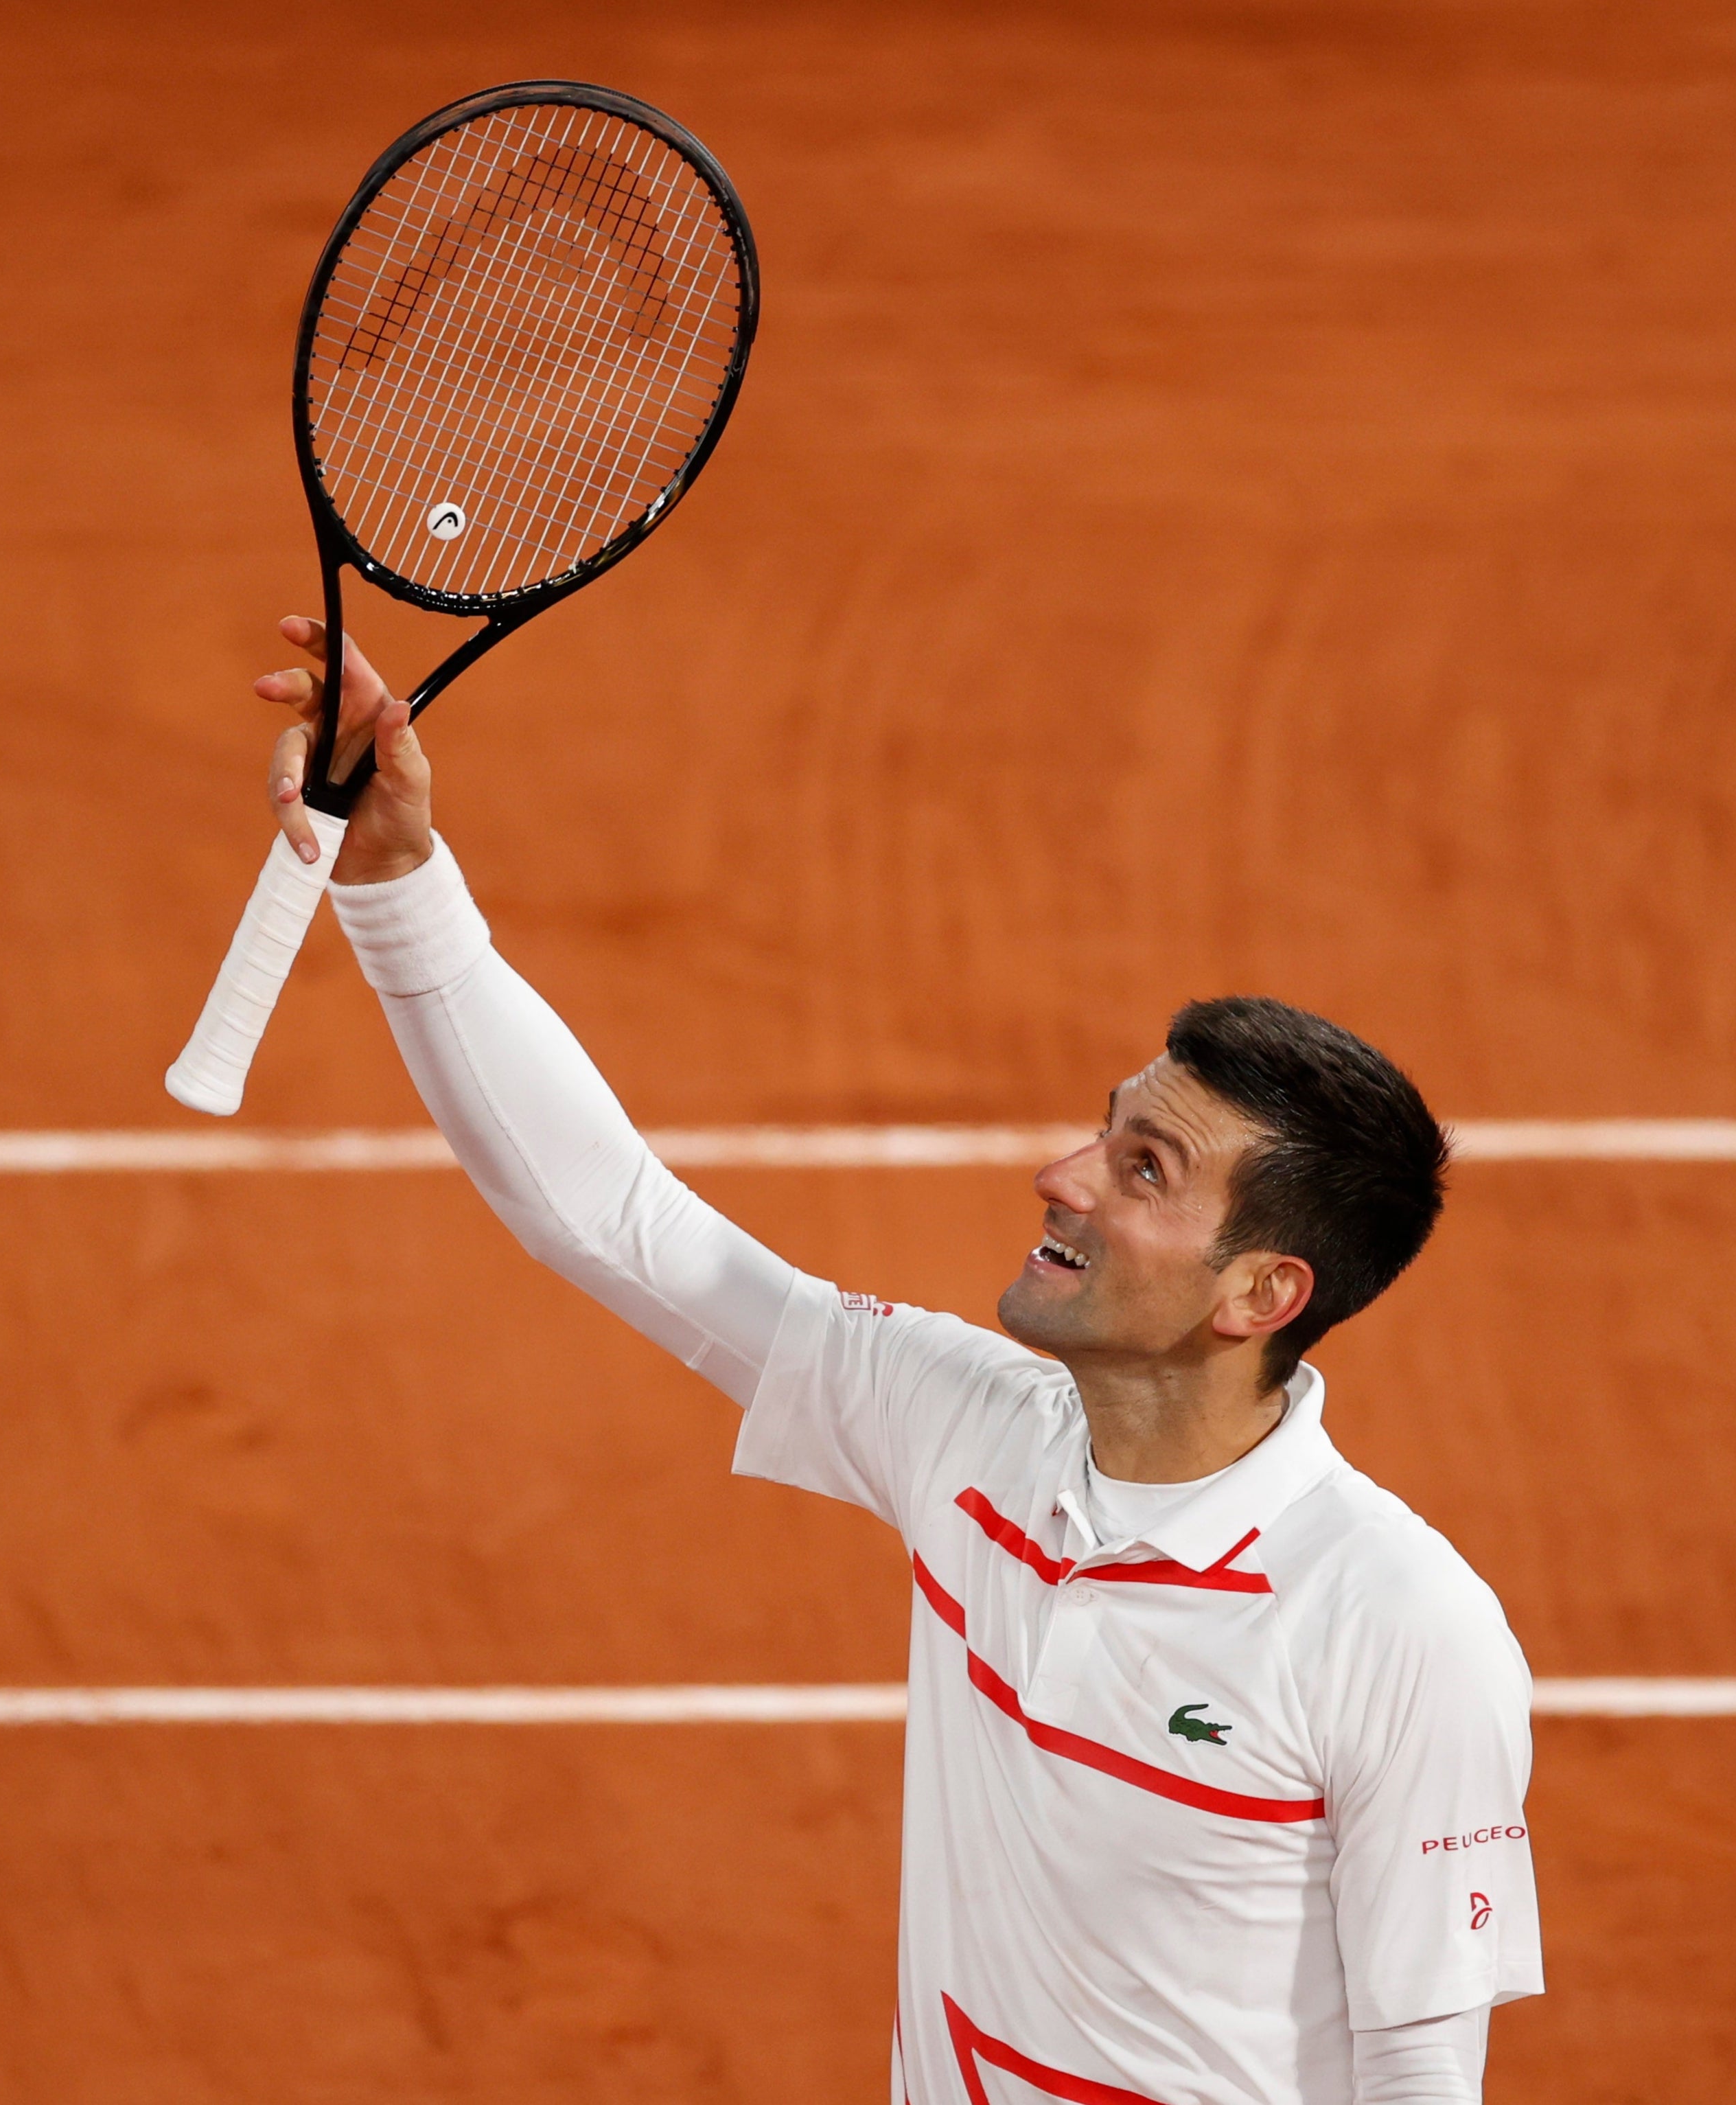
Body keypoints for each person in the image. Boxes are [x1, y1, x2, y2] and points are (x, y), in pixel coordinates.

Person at [256, 619, 1543, 2105]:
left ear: (1262, 1290)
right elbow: (614, 1220)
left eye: (1140, 1169)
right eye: (1101, 1127)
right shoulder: (970, 1429)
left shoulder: (1400, 1627)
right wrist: (402, 881)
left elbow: (1424, 2077)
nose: (1061, 1175)